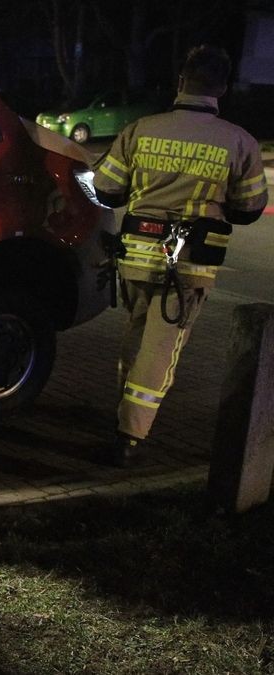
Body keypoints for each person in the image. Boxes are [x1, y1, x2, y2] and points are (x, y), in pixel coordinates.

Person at [93, 45, 267, 466]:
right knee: (161, 350)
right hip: (190, 265)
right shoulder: (239, 142)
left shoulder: (140, 129)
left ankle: (125, 421)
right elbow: (249, 209)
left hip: (136, 257)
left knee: (136, 340)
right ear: (222, 88)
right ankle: (130, 437)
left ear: (180, 81)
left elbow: (106, 189)